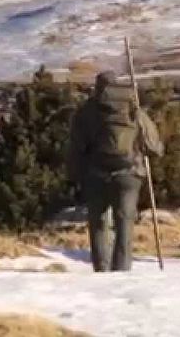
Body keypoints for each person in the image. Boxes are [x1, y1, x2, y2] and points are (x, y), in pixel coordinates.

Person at [68, 71, 162, 272]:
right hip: (129, 175)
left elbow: (76, 148)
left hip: (96, 174)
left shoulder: (86, 112)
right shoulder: (132, 109)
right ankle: (122, 271)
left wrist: (75, 177)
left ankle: (101, 271)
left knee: (99, 224)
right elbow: (153, 146)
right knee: (124, 223)